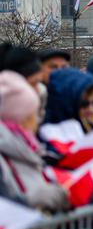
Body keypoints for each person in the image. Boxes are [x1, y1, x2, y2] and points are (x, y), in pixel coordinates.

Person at [0, 71, 69, 211]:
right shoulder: (11, 148)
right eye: (33, 114)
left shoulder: (28, 145)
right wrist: (45, 196)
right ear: (21, 117)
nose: (37, 119)